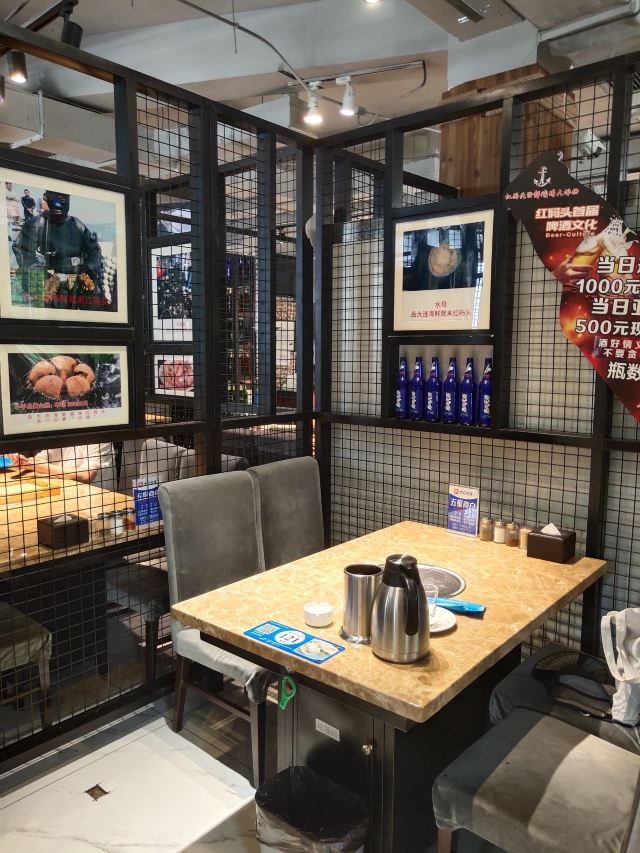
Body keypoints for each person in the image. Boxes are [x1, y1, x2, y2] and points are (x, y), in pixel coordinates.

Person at [13, 189, 104, 309]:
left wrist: (90, 267)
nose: (57, 203)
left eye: (62, 198)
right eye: (53, 197)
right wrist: (38, 271)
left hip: (80, 283)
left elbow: (94, 250)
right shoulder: (38, 223)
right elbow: (21, 249)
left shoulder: (77, 224)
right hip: (52, 284)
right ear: (47, 197)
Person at [10, 443, 116, 491]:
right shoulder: (61, 432)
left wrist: (35, 466)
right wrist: (24, 461)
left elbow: (86, 475)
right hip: (63, 492)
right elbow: (40, 459)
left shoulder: (99, 438)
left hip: (94, 499)